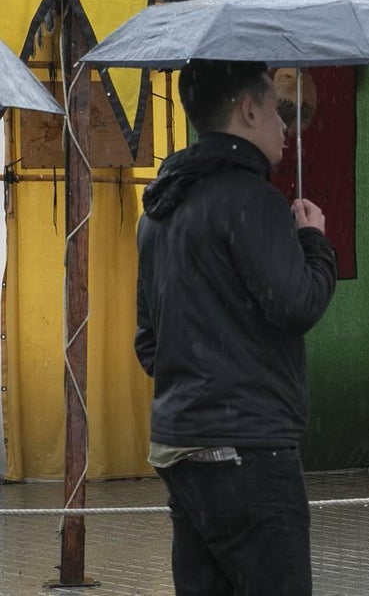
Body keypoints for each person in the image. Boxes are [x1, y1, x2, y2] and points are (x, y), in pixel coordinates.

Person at [135, 59, 338, 596]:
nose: (285, 127)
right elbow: (297, 305)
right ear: (247, 110)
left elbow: (149, 344)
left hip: (181, 448)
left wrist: (202, 372)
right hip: (250, 451)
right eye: (275, 109)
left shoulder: (157, 211)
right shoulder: (252, 199)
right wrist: (314, 242)